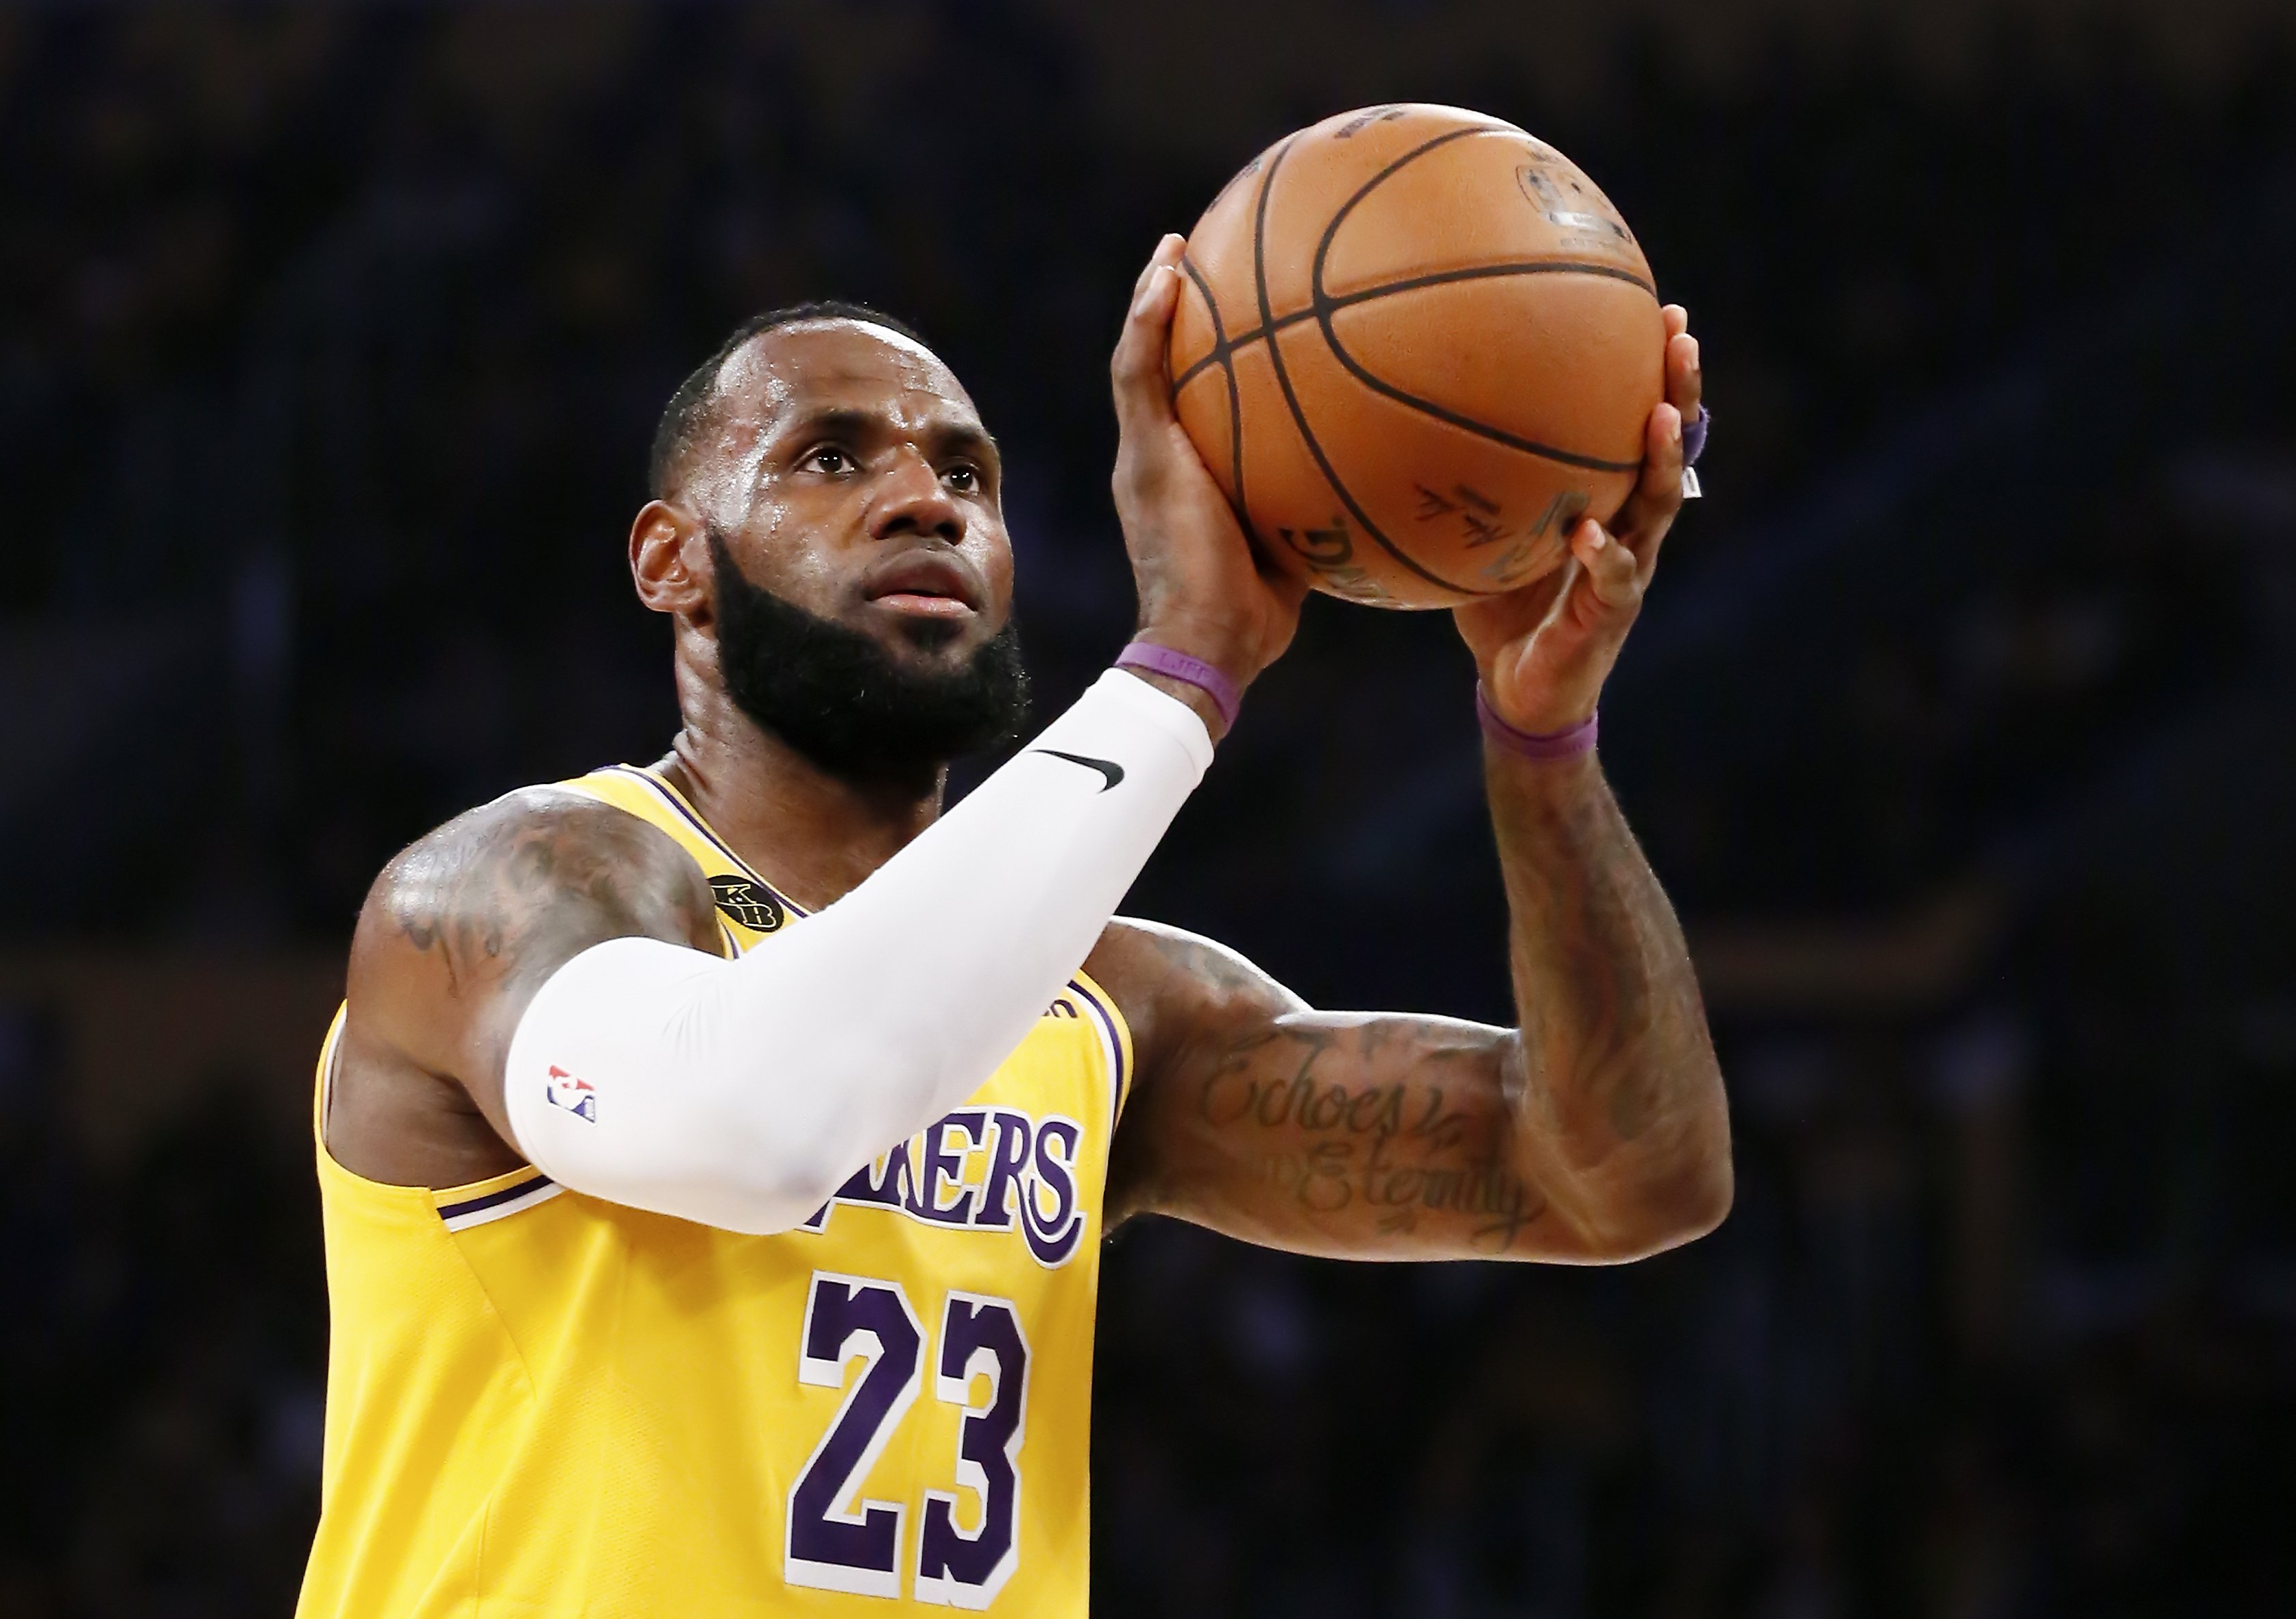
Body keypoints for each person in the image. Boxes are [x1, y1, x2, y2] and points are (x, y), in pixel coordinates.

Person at [295, 232, 1728, 1618]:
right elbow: (754, 1117)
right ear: (671, 559)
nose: (924, 498)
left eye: (965, 474)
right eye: (829, 456)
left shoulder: (1108, 1005)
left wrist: (1539, 742)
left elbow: (1626, 1176)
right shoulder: (497, 893)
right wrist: (1185, 667)